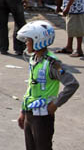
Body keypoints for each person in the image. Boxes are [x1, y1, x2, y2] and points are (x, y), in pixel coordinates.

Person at [16, 20, 79, 150]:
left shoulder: (52, 64)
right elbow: (31, 88)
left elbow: (72, 84)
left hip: (43, 117)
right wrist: (23, 111)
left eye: (29, 40)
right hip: (30, 113)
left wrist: (55, 104)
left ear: (38, 40)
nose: (26, 43)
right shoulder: (34, 59)